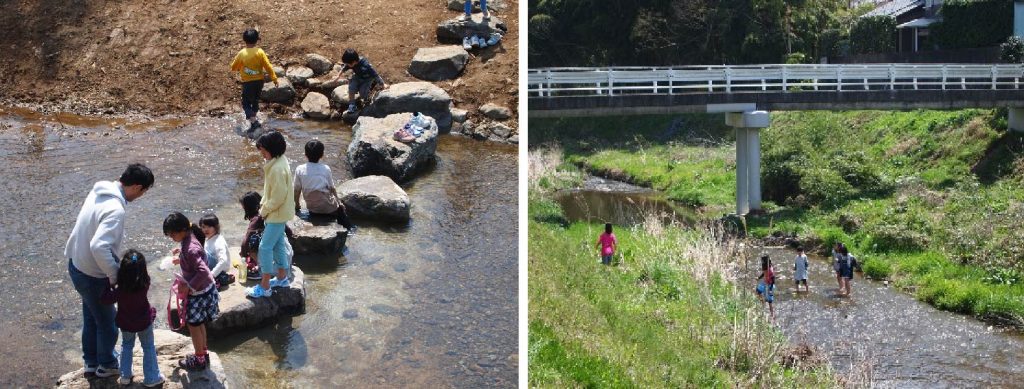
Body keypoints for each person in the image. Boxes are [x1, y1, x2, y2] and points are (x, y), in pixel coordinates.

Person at [65, 163, 153, 377]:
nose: (141, 196)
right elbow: (99, 246)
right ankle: (106, 365)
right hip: (92, 275)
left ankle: (91, 362)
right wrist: (116, 276)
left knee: (91, 316)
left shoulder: (99, 190)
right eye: (143, 191)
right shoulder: (116, 209)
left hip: (76, 264)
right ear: (136, 187)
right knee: (109, 324)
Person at [100, 250, 165, 387]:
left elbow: (105, 299)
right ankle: (152, 377)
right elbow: (140, 277)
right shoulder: (145, 283)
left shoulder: (120, 290)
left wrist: (107, 282)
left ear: (122, 271)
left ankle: (125, 375)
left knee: (127, 345)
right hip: (143, 321)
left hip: (126, 322)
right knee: (148, 347)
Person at [163, 212, 219, 371]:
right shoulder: (191, 238)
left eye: (172, 234)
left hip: (198, 294)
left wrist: (188, 286)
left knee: (194, 326)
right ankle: (203, 353)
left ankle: (199, 360)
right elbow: (194, 259)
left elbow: (203, 271)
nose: (171, 237)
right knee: (199, 323)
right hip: (206, 290)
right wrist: (180, 257)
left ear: (181, 230)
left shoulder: (190, 248)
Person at [248, 131, 294, 298]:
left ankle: (265, 285)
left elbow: (278, 197)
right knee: (278, 245)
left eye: (263, 150)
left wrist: (263, 211)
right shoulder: (280, 161)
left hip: (276, 214)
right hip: (281, 213)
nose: (261, 154)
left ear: (272, 150)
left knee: (265, 248)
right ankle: (282, 277)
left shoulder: (276, 169)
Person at [294, 139, 354, 231]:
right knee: (341, 210)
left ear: (305, 155)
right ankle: (349, 229)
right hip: (329, 209)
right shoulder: (325, 169)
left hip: (312, 209)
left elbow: (297, 190)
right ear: (322, 155)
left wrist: (297, 206)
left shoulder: (299, 169)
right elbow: (332, 188)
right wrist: (339, 202)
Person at [229, 28, 278, 132]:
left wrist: (239, 67)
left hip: (247, 83)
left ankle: (253, 121)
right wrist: (274, 78)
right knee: (255, 100)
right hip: (259, 82)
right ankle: (254, 120)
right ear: (257, 40)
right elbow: (268, 66)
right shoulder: (260, 52)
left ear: (244, 40)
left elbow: (233, 67)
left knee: (246, 103)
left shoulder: (242, 53)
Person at [239, 191, 295, 281]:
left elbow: (244, 243)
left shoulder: (256, 220)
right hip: (287, 258)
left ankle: (262, 271)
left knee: (251, 244)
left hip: (275, 266)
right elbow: (289, 232)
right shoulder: (272, 214)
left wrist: (243, 256)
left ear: (247, 207)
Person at [332, 48, 387, 115]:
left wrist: (383, 84)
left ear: (354, 61)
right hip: (357, 76)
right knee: (351, 88)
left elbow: (375, 75)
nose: (347, 65)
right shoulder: (350, 63)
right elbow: (345, 67)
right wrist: (338, 75)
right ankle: (352, 105)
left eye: (348, 63)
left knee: (363, 94)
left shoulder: (366, 65)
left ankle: (368, 97)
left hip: (367, 79)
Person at [199, 213, 234, 288]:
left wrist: (211, 275)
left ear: (216, 227)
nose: (206, 229)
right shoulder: (208, 238)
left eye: (209, 226)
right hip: (211, 266)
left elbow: (223, 261)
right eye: (203, 227)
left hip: (220, 270)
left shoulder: (218, 241)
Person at [756, 255, 776, 320]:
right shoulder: (765, 266)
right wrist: (759, 278)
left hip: (770, 285)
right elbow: (763, 273)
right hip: (764, 283)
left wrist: (770, 289)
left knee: (770, 301)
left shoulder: (770, 270)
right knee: (758, 291)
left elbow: (773, 280)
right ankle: (763, 303)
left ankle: (772, 314)